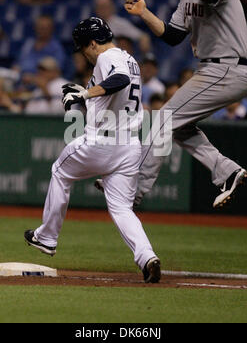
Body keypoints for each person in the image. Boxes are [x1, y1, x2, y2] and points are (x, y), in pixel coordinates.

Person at [24, 17, 161, 284]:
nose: (83, 54)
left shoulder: (106, 57)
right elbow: (113, 89)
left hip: (102, 141)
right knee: (122, 208)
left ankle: (47, 237)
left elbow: (118, 80)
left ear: (93, 43)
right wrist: (81, 91)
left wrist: (84, 96)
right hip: (130, 145)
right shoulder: (129, 58)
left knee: (59, 171)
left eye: (83, 48)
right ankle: (147, 257)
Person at [122, 0, 247, 209]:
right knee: (179, 127)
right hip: (213, 69)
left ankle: (132, 188)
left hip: (227, 68)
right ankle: (226, 171)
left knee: (162, 121)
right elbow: (172, 36)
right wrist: (144, 12)